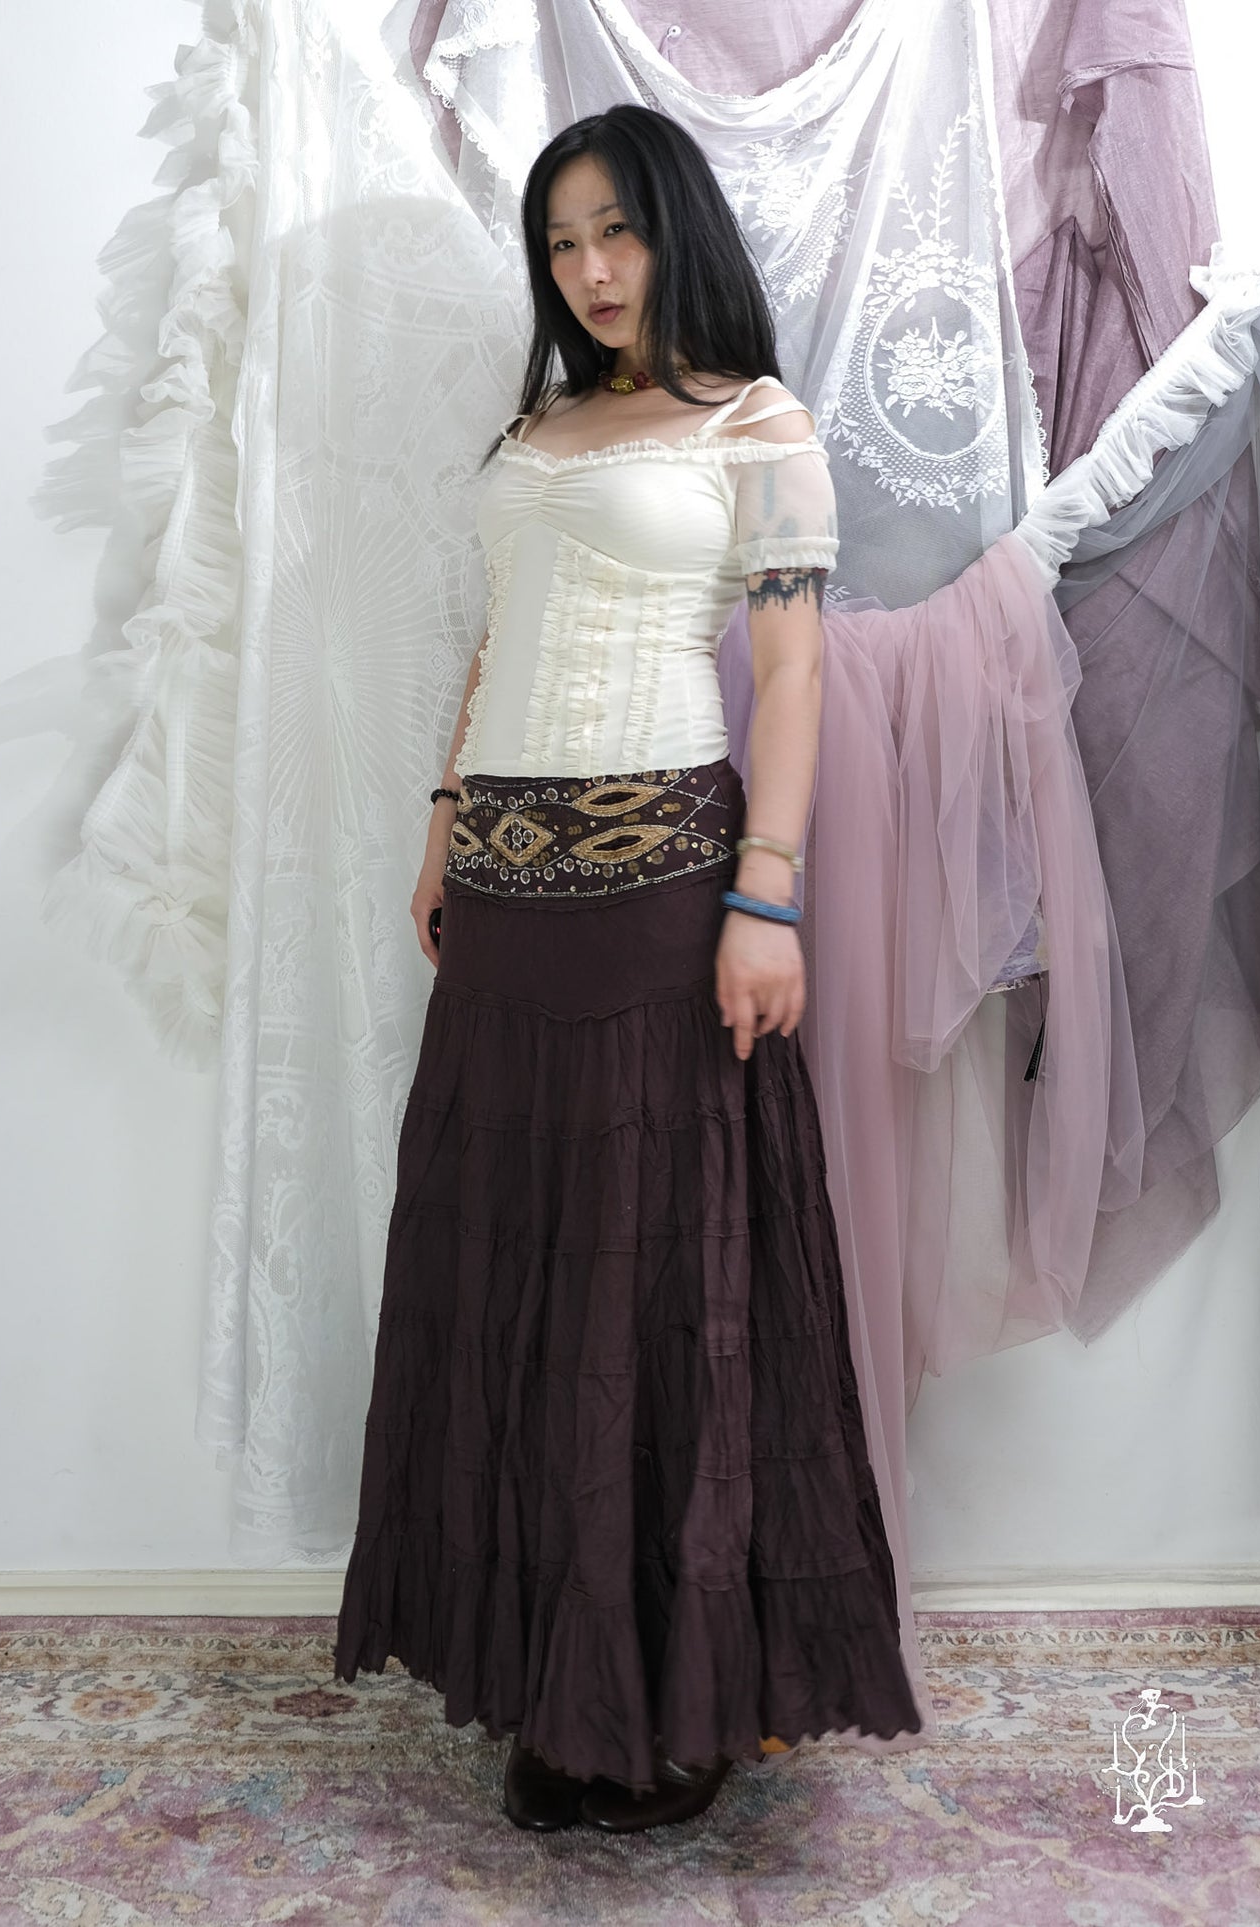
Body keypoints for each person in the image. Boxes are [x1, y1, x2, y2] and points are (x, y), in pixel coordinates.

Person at [333, 101, 922, 1834]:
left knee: (664, 1291)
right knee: (516, 1275)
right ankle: (550, 1686)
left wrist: (768, 900)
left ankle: (677, 1702)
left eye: (616, 232)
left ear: (674, 231)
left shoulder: (758, 424)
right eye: (560, 243)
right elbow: (496, 636)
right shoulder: (537, 425)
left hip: (670, 888)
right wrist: (444, 816)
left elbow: (793, 676)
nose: (589, 270)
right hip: (503, 891)